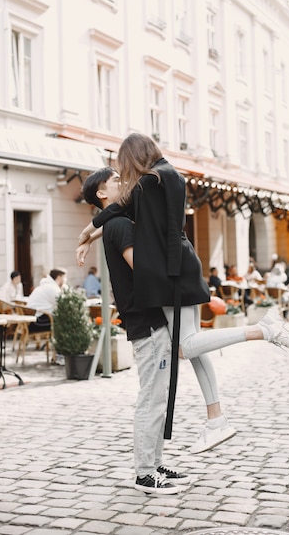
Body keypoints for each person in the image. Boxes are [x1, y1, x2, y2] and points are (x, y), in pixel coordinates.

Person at [77, 134, 289, 454]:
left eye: (123, 165)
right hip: (181, 267)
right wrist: (90, 233)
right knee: (195, 349)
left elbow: (118, 209)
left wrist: (87, 233)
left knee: (186, 347)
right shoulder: (166, 176)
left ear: (133, 158)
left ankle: (263, 330)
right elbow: (117, 213)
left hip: (171, 274)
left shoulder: (149, 182)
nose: (123, 172)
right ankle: (216, 419)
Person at [82, 167, 190, 495]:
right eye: (114, 181)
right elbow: (142, 267)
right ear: (102, 194)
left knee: (157, 397)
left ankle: (154, 463)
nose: (120, 182)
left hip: (146, 320)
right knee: (151, 399)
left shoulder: (115, 223)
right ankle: (145, 472)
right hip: (147, 321)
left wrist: (86, 233)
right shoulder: (119, 226)